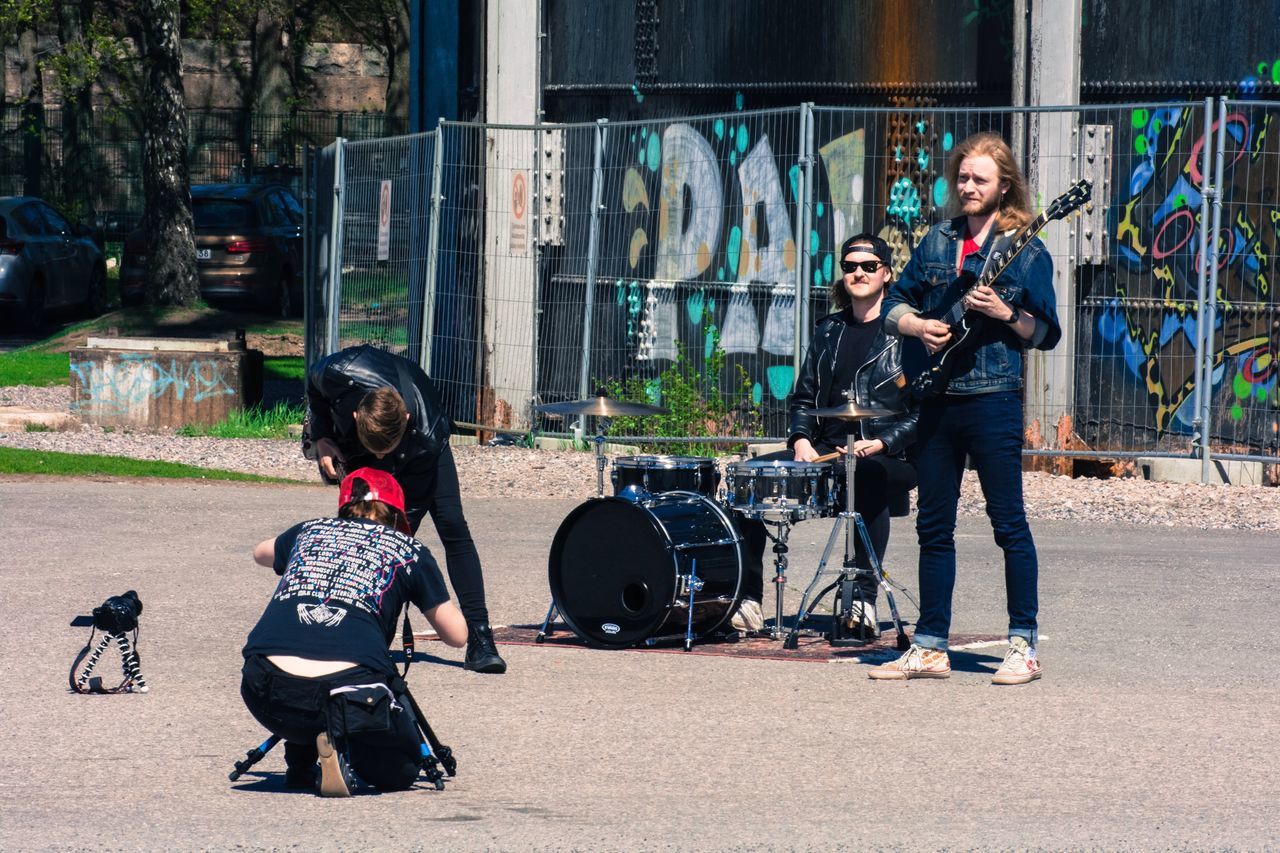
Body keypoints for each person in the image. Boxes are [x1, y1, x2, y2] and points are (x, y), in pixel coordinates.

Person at [872, 131, 1061, 684]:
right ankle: (930, 645)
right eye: (963, 177)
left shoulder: (1024, 247)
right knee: (934, 526)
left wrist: (1006, 311)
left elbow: (1043, 332)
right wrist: (916, 325)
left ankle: (1022, 644)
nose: (969, 186)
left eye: (981, 178)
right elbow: (895, 302)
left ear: (1004, 185)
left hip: (992, 399)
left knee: (1008, 523)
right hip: (936, 397)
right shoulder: (936, 242)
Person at [240, 467, 468, 796]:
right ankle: (342, 747)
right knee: (400, 769)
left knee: (308, 666)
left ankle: (302, 759)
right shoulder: (408, 549)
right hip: (348, 693)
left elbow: (260, 553)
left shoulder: (311, 531)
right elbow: (457, 636)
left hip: (263, 687)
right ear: (396, 517)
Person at [733, 233, 918, 639]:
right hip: (821, 451)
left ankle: (862, 600)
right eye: (850, 266)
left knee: (865, 477)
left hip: (885, 454)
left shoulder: (905, 332)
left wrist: (884, 442)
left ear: (886, 274)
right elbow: (803, 397)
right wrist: (800, 440)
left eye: (869, 266)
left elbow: (921, 412)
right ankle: (746, 598)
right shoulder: (829, 330)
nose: (858, 273)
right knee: (743, 480)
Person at [304, 344, 506, 674]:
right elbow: (313, 384)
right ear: (357, 416)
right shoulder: (338, 371)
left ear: (406, 420)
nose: (382, 461)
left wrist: (398, 529)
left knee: (449, 525)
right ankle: (365, 635)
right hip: (359, 444)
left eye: (386, 452)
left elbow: (403, 531)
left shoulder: (425, 433)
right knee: (369, 536)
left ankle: (481, 639)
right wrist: (323, 436)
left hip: (420, 451)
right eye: (376, 451)